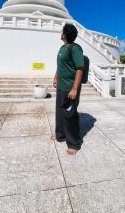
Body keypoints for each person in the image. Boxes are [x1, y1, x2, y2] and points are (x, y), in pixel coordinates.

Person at [50, 23, 84, 155]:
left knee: (70, 115)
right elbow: (60, 65)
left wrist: (75, 88)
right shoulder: (62, 48)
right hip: (61, 87)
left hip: (70, 88)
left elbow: (80, 68)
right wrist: (55, 76)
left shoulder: (75, 49)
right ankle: (60, 136)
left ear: (66, 34)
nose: (61, 33)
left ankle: (74, 143)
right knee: (60, 112)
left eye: (62, 31)